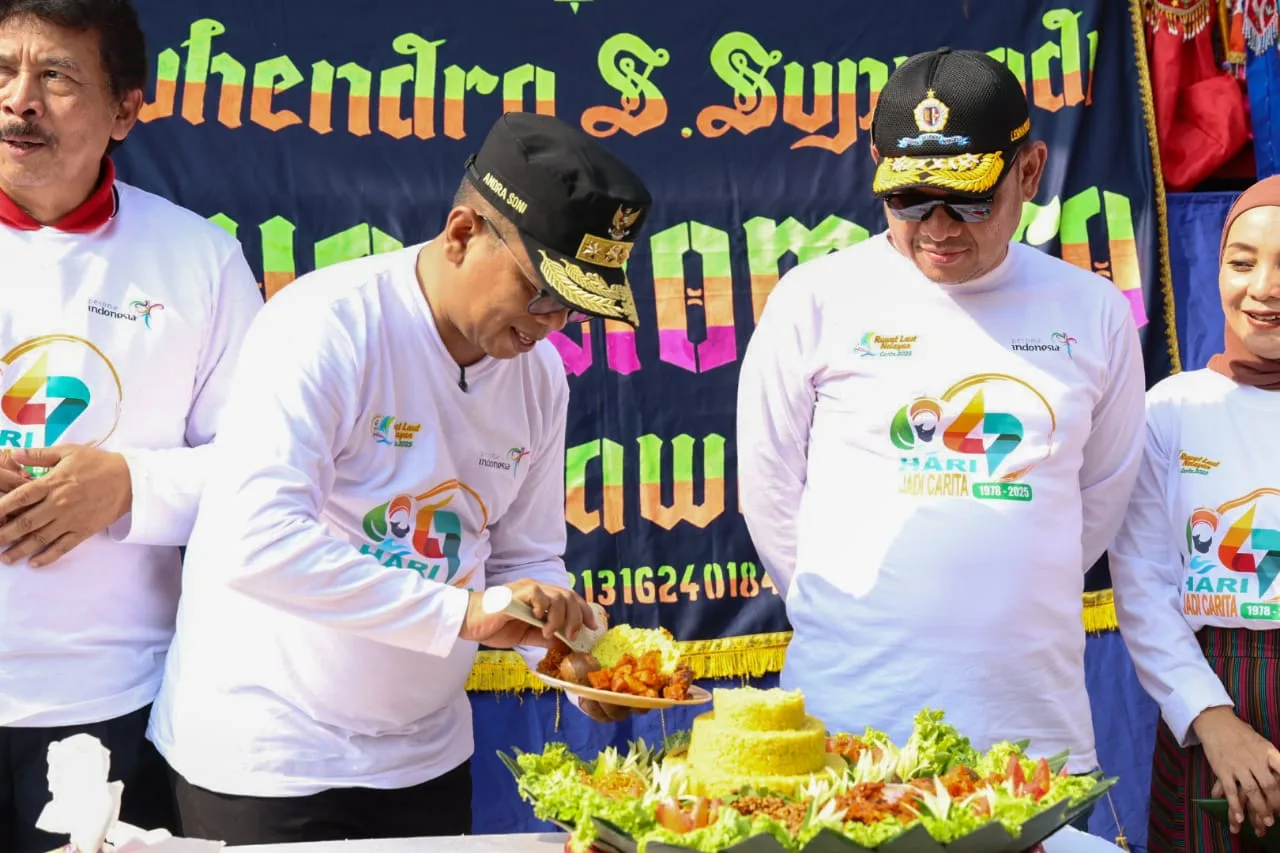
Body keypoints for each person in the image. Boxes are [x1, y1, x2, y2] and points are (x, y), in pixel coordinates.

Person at [147, 111, 653, 844]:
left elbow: (526, 561)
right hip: (268, 754)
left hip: (425, 758)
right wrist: (463, 614)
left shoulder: (540, 376)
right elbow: (252, 542)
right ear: (462, 233)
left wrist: (575, 666)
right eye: (542, 291)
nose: (553, 323)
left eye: (576, 308)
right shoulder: (327, 325)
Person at [737, 47, 1146, 786]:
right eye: (909, 200)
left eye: (969, 201)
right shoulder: (815, 299)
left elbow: (1098, 500)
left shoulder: (1093, 312)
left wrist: (1003, 592)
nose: (939, 226)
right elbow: (767, 491)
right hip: (850, 736)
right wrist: (857, 619)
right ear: (877, 170)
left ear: (1030, 172)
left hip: (1031, 743)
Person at [0, 1, 263, 850]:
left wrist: (129, 485)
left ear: (125, 109)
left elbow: (267, 472)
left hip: (119, 701)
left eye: (56, 76)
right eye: (3, 70)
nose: (19, 100)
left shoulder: (199, 259)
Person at [1110, 175, 1280, 852]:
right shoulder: (1171, 410)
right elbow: (1143, 583)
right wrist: (1212, 719)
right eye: (1242, 262)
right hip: (1213, 694)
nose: (1264, 288)